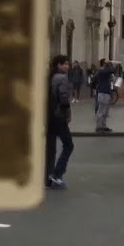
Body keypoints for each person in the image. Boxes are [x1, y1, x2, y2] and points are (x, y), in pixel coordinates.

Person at [45, 54, 75, 189]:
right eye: (66, 64)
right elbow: (63, 98)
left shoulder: (48, 77)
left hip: (48, 117)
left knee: (50, 148)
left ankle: (48, 177)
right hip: (58, 116)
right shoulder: (62, 78)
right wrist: (68, 113)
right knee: (68, 145)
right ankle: (57, 175)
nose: (68, 66)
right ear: (59, 65)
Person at [93, 58, 116, 132]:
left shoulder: (101, 71)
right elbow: (112, 70)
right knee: (102, 110)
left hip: (105, 92)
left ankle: (103, 126)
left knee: (105, 111)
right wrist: (109, 64)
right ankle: (99, 126)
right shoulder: (102, 71)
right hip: (103, 92)